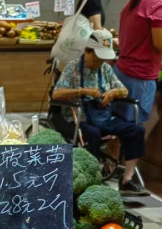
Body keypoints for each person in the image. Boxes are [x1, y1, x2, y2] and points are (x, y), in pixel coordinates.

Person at [53, 30, 148, 196]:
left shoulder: (105, 69)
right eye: (96, 59)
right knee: (92, 134)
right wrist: (82, 91)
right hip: (79, 119)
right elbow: (56, 94)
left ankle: (127, 179)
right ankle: (93, 179)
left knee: (136, 130)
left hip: (103, 117)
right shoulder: (73, 68)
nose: (99, 63)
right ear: (87, 51)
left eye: (102, 60)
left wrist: (112, 94)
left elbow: (123, 90)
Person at [114, 0, 162, 133]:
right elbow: (161, 45)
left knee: (117, 124)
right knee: (133, 130)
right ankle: (128, 162)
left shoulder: (134, 0)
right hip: (140, 78)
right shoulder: (159, 4)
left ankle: (111, 161)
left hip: (121, 72)